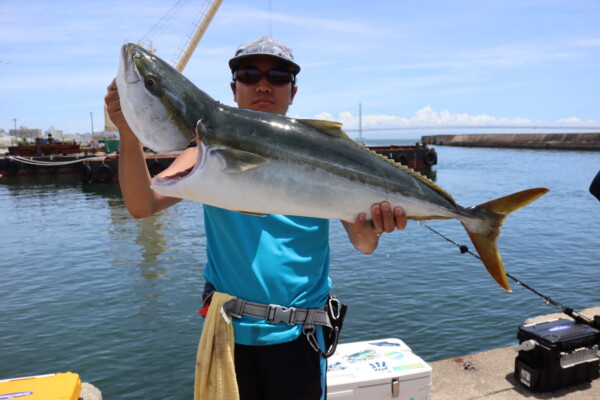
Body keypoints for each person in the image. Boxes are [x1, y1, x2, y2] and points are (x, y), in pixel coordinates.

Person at [105, 35, 407, 400]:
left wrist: (376, 224)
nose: (263, 84)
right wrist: (127, 130)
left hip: (301, 337)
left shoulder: (320, 150)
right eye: (249, 74)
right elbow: (143, 204)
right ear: (234, 89)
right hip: (230, 335)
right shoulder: (205, 150)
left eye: (278, 76)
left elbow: (363, 243)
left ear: (293, 91)